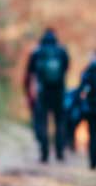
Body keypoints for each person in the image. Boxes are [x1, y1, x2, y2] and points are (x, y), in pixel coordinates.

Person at [23, 28, 70, 163]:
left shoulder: (37, 52)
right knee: (59, 122)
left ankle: (44, 152)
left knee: (41, 122)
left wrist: (31, 92)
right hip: (59, 92)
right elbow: (66, 69)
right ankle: (60, 152)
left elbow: (30, 74)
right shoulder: (62, 51)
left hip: (42, 92)